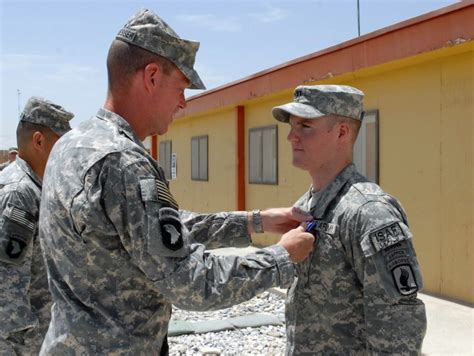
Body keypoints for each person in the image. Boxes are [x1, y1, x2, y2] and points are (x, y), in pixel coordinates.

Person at [38, 9, 315, 355]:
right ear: (152, 76)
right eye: (180, 88)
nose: (183, 103)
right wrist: (281, 258)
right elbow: (191, 282)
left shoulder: (73, 145)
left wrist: (253, 221)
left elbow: (152, 231)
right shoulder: (123, 162)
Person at [272, 85, 427, 354]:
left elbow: (398, 328)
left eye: (305, 126)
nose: (291, 137)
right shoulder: (305, 206)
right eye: (292, 126)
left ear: (342, 132)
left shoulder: (369, 212)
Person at [0, 97, 73, 355]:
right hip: (20, 343)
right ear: (39, 141)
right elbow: (6, 288)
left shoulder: (34, 187)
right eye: (61, 145)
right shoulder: (19, 193)